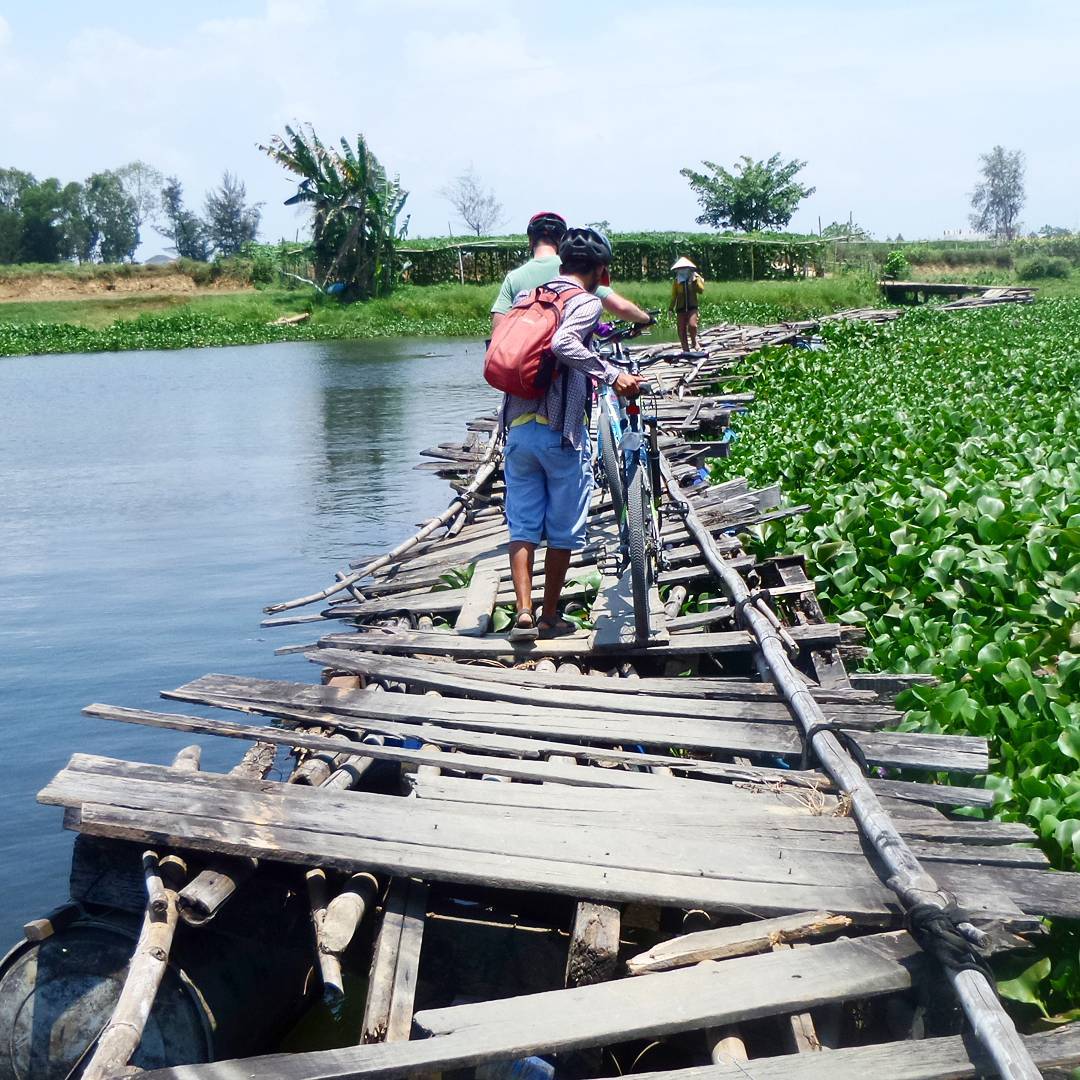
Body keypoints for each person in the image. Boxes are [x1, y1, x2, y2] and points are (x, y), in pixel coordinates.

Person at [501, 227, 645, 640]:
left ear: (562, 265)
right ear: (601, 272)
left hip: (517, 428)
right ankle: (549, 617)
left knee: (523, 524)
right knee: (562, 528)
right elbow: (564, 343)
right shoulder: (584, 302)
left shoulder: (528, 298)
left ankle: (523, 613)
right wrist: (612, 373)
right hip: (560, 432)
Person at [491, 212, 652, 332]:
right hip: (566, 368)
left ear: (531, 241)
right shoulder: (572, 270)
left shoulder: (513, 278)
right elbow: (621, 307)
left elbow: (498, 328)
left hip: (525, 368)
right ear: (562, 239)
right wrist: (645, 318)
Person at [669, 256, 705, 353]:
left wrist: (693, 282)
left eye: (684, 269)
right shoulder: (677, 281)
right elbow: (674, 296)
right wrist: (670, 308)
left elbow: (701, 290)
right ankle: (685, 349)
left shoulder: (695, 278)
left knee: (692, 325)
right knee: (681, 329)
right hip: (680, 308)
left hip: (692, 307)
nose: (682, 271)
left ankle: (694, 341)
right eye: (680, 269)